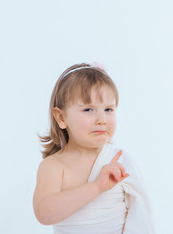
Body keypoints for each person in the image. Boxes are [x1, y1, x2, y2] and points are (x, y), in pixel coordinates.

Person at [33, 63, 154, 234]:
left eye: (108, 109)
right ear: (61, 117)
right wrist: (97, 187)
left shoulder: (121, 160)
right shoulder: (54, 166)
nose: (101, 119)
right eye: (88, 109)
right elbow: (44, 213)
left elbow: (140, 215)